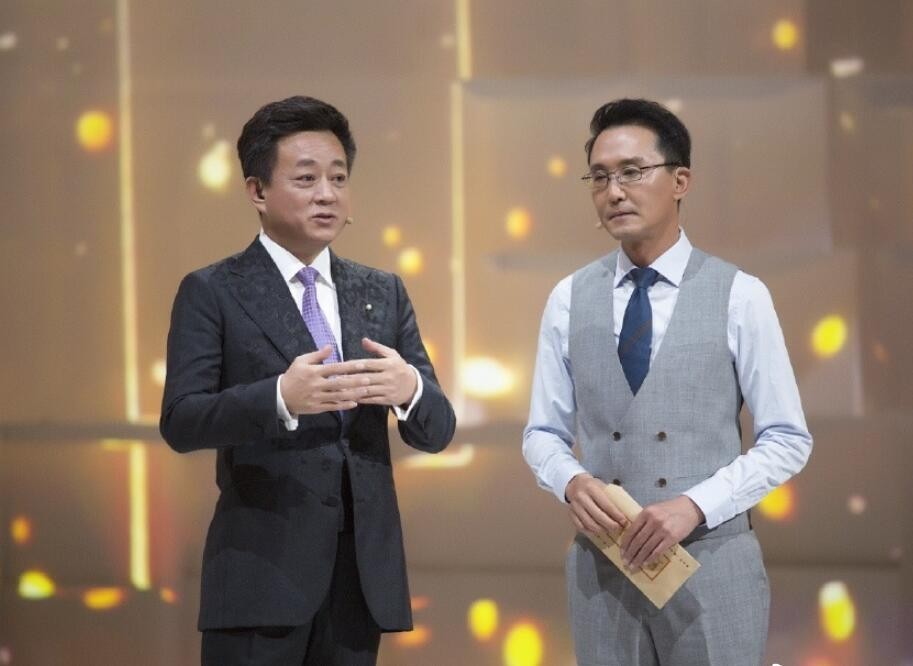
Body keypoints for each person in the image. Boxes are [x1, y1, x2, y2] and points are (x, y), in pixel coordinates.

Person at [160, 95, 456, 665]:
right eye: (306, 178)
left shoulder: (381, 291)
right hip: (260, 578)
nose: (327, 193)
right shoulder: (213, 290)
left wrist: (410, 391)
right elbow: (182, 420)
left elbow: (437, 430)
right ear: (257, 191)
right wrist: (279, 398)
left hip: (359, 582)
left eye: (338, 178)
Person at [522, 98, 812, 665]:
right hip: (603, 572)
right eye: (600, 177)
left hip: (713, 567)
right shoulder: (568, 298)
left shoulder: (739, 294)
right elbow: (542, 433)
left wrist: (694, 506)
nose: (614, 192)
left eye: (632, 172)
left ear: (680, 181)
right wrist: (570, 482)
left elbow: (787, 439)